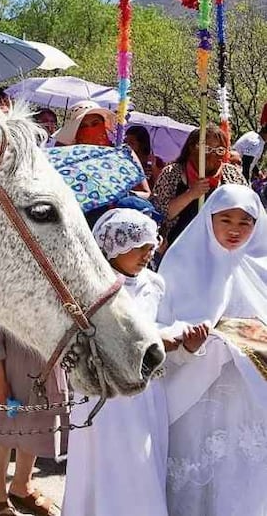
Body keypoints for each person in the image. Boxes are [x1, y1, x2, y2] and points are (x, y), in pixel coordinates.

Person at [62, 208, 205, 516]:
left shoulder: (155, 284)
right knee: (106, 464)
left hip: (146, 396)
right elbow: (89, 340)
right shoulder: (92, 289)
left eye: (150, 247)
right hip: (105, 395)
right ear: (116, 246)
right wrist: (153, 340)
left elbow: (164, 325)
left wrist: (184, 343)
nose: (146, 254)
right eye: (139, 247)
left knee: (142, 462)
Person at [157, 185, 267, 516]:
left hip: (251, 394)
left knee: (244, 466)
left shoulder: (261, 265)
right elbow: (159, 328)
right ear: (209, 220)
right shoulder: (180, 263)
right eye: (226, 219)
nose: (235, 230)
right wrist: (187, 345)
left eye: (245, 222)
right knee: (199, 462)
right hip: (197, 392)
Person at [0, 320, 67, 516]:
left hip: (48, 350)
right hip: (12, 350)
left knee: (35, 418)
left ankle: (22, 484)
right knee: (3, 422)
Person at [152, 125, 247, 247]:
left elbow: (247, 211)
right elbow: (160, 213)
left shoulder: (232, 175)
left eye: (219, 150)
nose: (213, 155)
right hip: (177, 247)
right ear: (192, 148)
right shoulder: (172, 173)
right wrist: (190, 194)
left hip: (220, 248)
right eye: (207, 149)